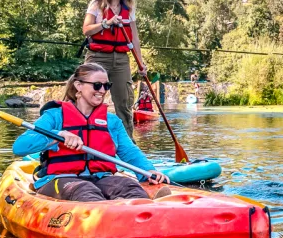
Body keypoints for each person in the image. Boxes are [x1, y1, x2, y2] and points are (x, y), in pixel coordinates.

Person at [13, 62, 168, 201]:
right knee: (84, 191)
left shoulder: (112, 121)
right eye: (97, 85)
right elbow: (20, 147)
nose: (102, 90)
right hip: (60, 179)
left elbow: (129, 152)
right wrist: (57, 136)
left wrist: (148, 171)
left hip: (101, 177)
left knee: (130, 188)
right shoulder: (54, 116)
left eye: (106, 86)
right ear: (78, 85)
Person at [82, 0, 145, 136]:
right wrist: (105, 23)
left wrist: (140, 63)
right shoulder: (97, 5)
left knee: (124, 103)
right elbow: (86, 29)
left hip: (121, 60)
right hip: (97, 57)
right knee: (90, 98)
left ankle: (127, 146)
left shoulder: (129, 9)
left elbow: (135, 39)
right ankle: (85, 138)